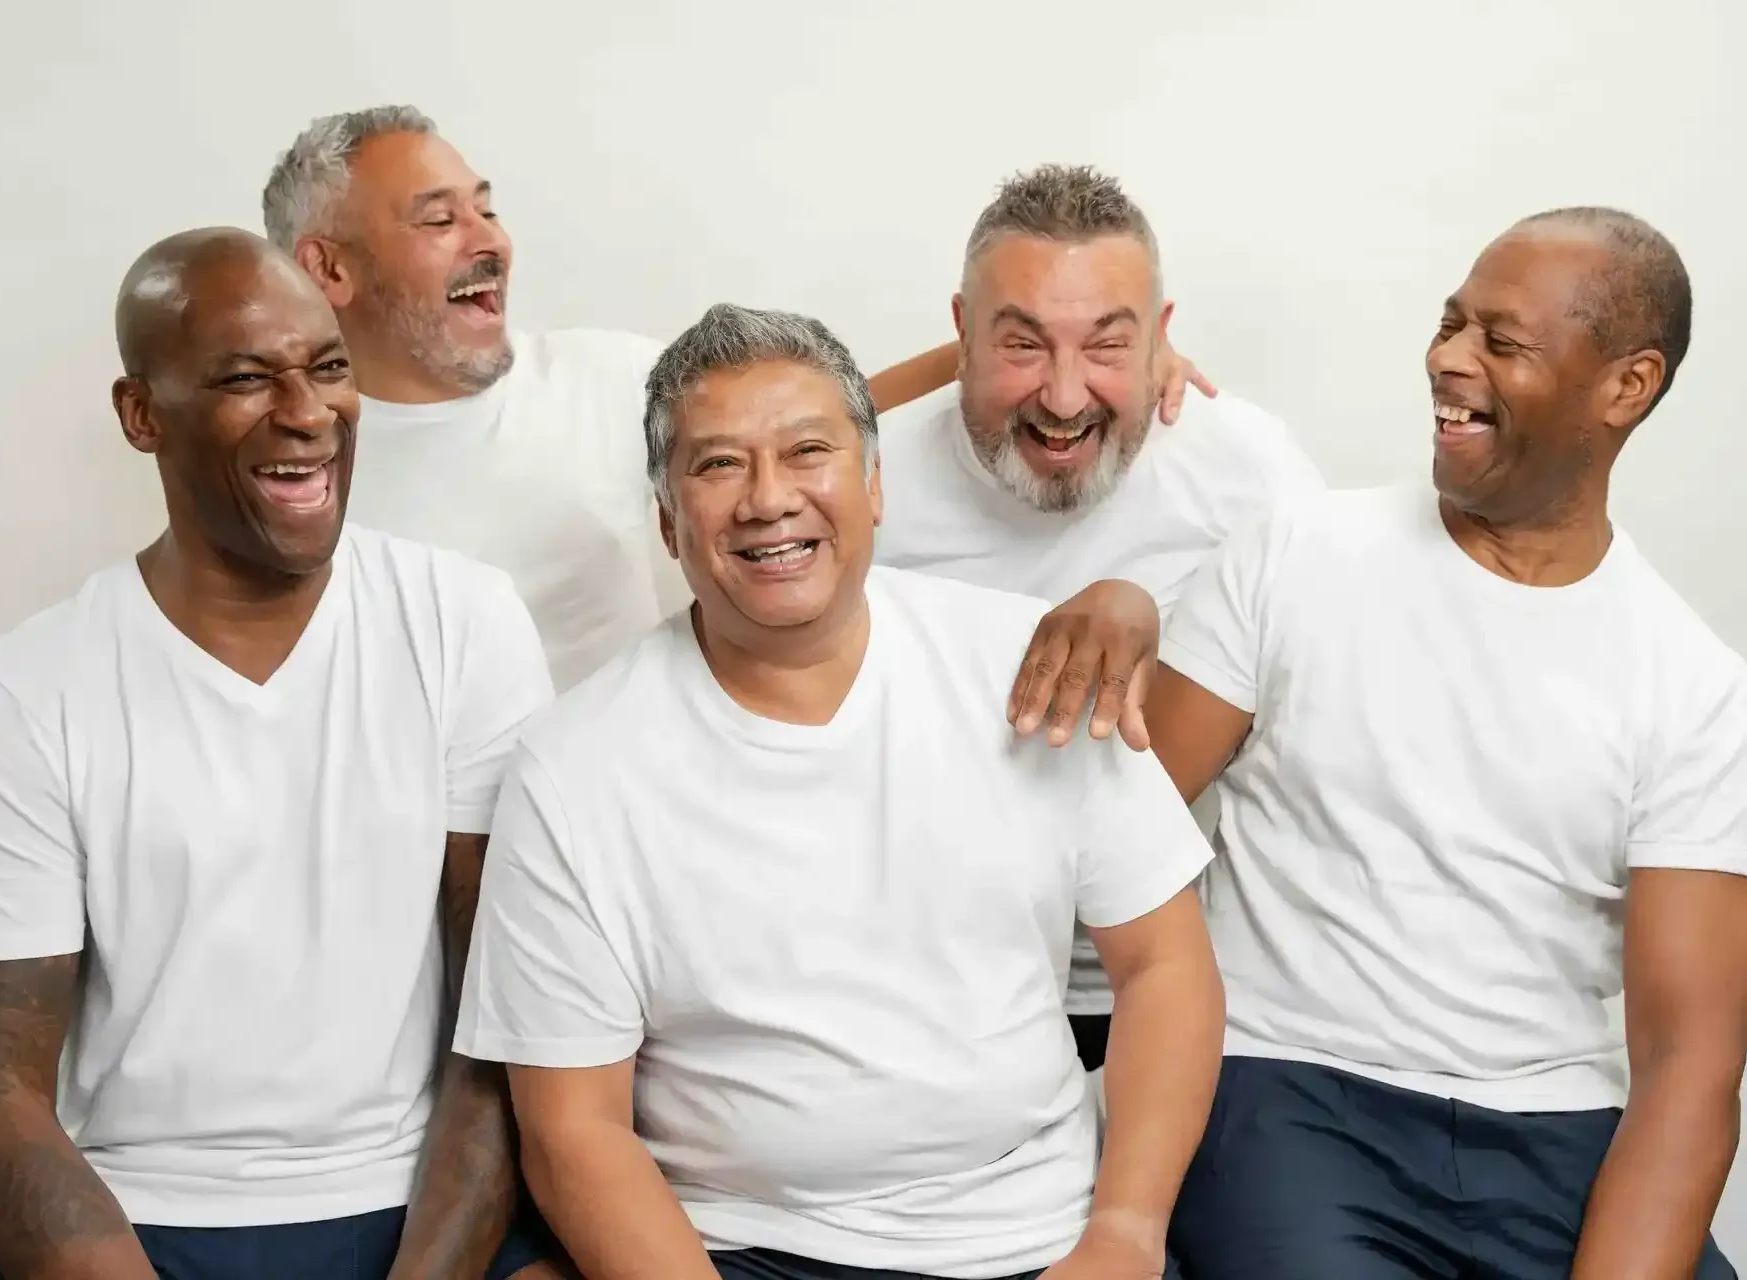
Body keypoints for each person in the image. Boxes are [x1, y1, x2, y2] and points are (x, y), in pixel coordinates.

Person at [458, 303, 1226, 1280]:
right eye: (719, 463)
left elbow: (1164, 964)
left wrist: (1124, 1228)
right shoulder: (573, 766)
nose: (769, 498)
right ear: (666, 519)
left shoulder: (1026, 661)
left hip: (1037, 1232)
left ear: (872, 487)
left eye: (807, 451)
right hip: (739, 1244)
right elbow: (575, 1129)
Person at [0, 227, 555, 1280]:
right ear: (142, 414)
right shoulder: (31, 686)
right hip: (137, 1220)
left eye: (328, 369)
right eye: (247, 378)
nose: (307, 414)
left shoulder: (464, 621)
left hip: (422, 1206)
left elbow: (505, 1022)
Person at [1145, 209, 1747, 1278]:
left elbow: (1689, 1061)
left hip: (1557, 1124)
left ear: (1626, 385)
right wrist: (1118, 607)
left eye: (1500, 343)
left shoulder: (1693, 686)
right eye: (1449, 323)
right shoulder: (1300, 550)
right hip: (1290, 1088)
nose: (1447, 359)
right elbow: (1104, 824)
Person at [260, 108, 1210, 692]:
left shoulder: (604, 379)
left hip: (650, 820)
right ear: (327, 267)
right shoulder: (295, 472)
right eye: (440, 218)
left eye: (487, 206)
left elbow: (823, 420)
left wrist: (1074, 359)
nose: (490, 238)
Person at [872, 164, 1324, 1073]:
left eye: (1107, 346)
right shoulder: (863, 479)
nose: (1066, 397)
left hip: (1179, 987)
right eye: (1023, 344)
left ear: (1161, 337)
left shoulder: (1248, 471)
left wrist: (1145, 626)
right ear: (961, 331)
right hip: (918, 988)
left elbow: (1318, 729)